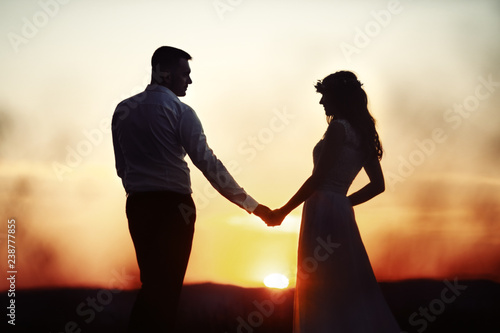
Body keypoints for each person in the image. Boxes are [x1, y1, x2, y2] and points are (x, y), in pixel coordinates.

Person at [111, 46, 272, 332]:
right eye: (185, 73)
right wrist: (251, 205)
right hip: (175, 209)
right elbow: (208, 164)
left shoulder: (122, 110)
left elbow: (121, 168)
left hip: (137, 207)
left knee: (152, 285)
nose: (189, 80)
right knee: (167, 288)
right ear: (165, 72)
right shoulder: (181, 111)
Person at [266, 71, 401, 332]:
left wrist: (283, 211)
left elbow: (317, 179)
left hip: (322, 210)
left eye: (324, 96)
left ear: (338, 97)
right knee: (342, 280)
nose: (321, 103)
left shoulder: (338, 128)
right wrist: (345, 203)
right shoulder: (363, 132)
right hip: (339, 209)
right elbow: (378, 185)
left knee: (321, 282)